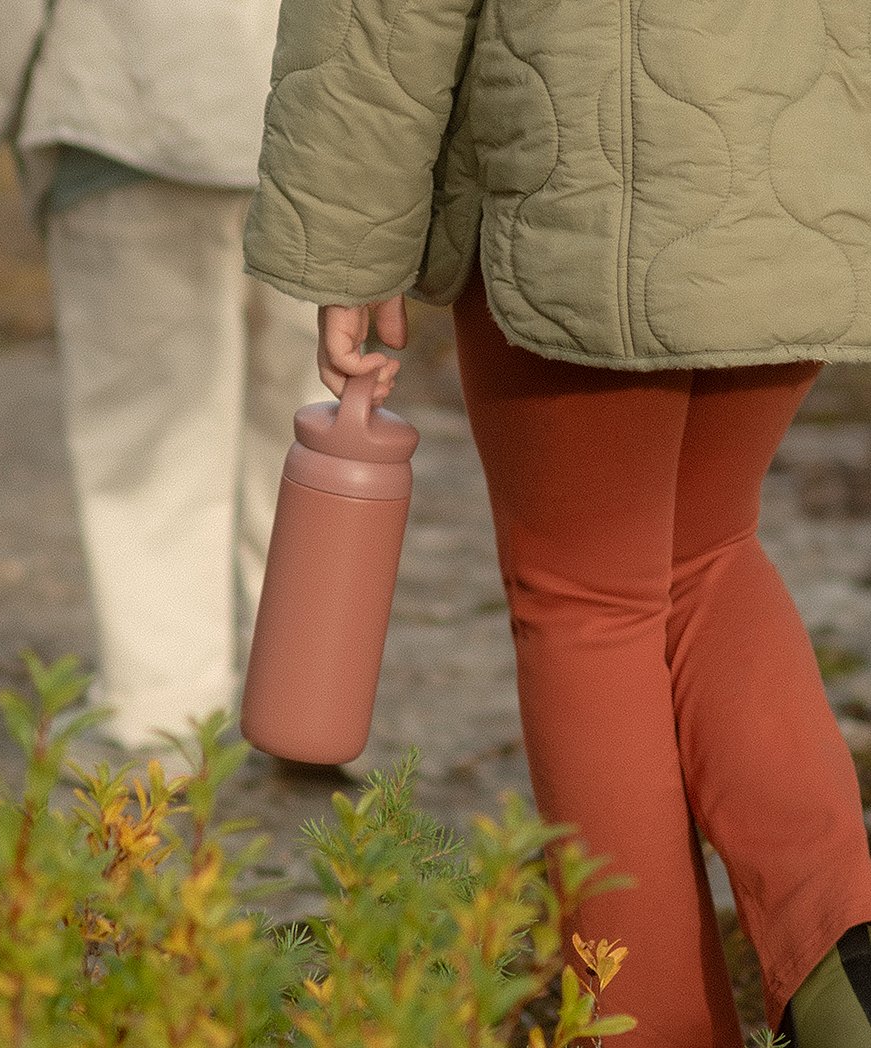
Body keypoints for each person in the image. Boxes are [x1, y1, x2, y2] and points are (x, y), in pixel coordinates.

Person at [241, 2, 871, 1045]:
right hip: (807, 177)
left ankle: (647, 1028)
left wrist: (350, 246)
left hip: (590, 189)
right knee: (707, 552)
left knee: (588, 600)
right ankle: (847, 972)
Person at [0, 0, 326, 751]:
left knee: (150, 441)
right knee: (312, 429)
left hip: (132, 112)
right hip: (335, 128)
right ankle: (314, 703)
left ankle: (164, 718)